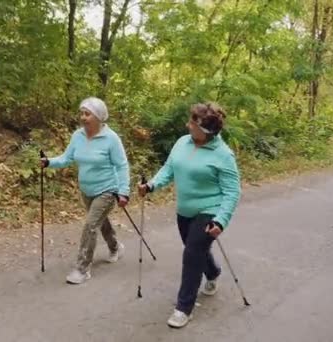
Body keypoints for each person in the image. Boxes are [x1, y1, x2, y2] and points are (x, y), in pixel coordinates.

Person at [138, 102, 241, 328]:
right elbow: (168, 169)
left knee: (192, 252)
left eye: (192, 123)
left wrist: (221, 220)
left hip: (210, 210)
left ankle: (184, 307)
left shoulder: (223, 155)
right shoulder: (181, 143)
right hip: (184, 211)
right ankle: (213, 272)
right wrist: (152, 185)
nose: (188, 125)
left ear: (205, 131)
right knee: (196, 250)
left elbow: (233, 192)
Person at [41, 97, 130, 285]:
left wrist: (123, 191)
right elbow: (67, 158)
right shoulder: (78, 136)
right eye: (81, 113)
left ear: (98, 117)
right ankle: (115, 247)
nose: (83, 117)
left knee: (90, 225)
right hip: (86, 190)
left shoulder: (111, 139)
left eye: (87, 114)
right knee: (100, 221)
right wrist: (49, 162)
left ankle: (82, 269)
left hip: (107, 189)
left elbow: (122, 166)